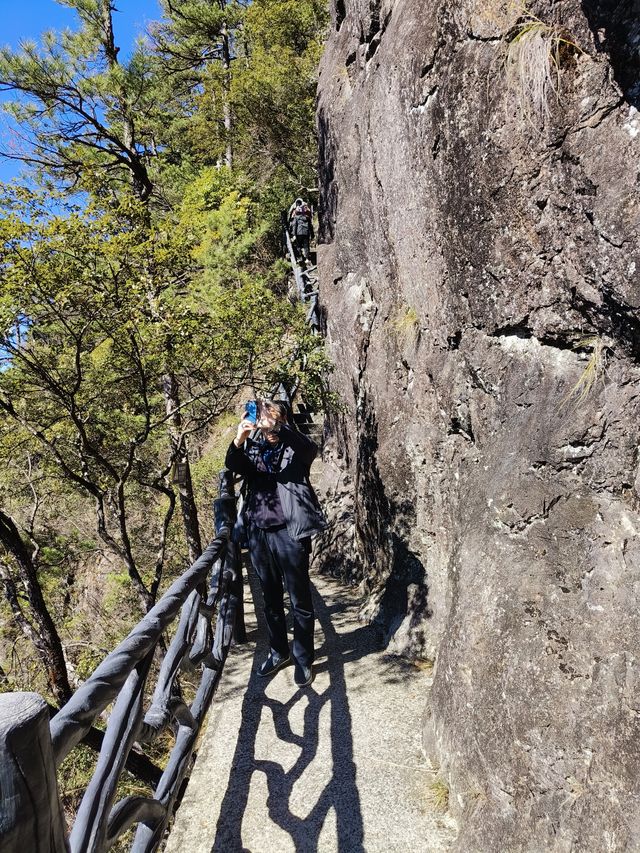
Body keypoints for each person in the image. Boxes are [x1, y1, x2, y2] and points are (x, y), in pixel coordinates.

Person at [225, 399, 326, 687]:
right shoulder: (255, 448)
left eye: (271, 415)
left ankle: (303, 658)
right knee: (270, 599)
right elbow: (233, 463)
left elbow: (309, 448)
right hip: (259, 534)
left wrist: (279, 428)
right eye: (263, 415)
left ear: (282, 418)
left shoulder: (295, 450)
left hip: (289, 533)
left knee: (300, 600)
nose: (264, 420)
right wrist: (240, 439)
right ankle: (279, 651)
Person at [288, 198, 314, 265]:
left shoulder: (296, 217)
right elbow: (310, 226)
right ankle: (307, 259)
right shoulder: (307, 217)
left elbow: (294, 226)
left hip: (299, 233)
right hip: (306, 232)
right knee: (306, 246)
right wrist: (312, 234)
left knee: (298, 245)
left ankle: (300, 258)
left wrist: (293, 234)